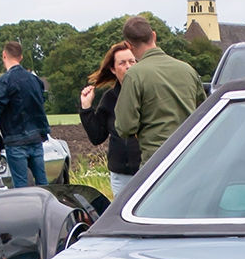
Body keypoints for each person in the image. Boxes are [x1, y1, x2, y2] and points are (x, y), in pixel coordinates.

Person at [113, 15, 205, 167]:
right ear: (154, 35)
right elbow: (202, 111)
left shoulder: (134, 75)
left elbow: (125, 126)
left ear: (129, 46)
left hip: (156, 162)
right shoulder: (188, 70)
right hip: (191, 158)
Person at [79, 42, 141, 197]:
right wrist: (86, 109)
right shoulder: (110, 98)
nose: (128, 66)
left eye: (132, 61)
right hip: (120, 175)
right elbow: (97, 136)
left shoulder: (148, 93)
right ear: (113, 69)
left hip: (147, 170)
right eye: (122, 63)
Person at [0, 40, 51, 187]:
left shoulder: (3, 82)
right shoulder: (35, 80)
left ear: (4, 55)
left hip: (15, 139)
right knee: (43, 183)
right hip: (36, 137)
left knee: (21, 187)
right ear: (20, 57)